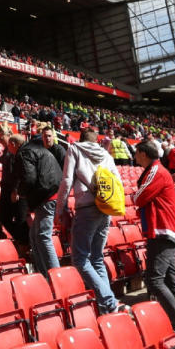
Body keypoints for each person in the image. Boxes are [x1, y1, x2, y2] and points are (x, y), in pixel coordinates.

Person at [133, 141, 175, 346]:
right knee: (171, 282)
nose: (135, 158)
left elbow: (139, 197)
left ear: (143, 153)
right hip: (164, 231)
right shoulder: (158, 170)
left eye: (137, 154)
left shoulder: (156, 170)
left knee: (154, 281)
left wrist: (136, 195)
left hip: (162, 231)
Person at [56, 128, 120, 312]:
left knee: (80, 259)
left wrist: (60, 209)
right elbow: (116, 180)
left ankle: (109, 301)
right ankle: (108, 305)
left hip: (86, 206)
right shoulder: (106, 154)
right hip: (105, 206)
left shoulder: (74, 149)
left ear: (81, 139)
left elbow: (67, 179)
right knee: (97, 258)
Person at [13, 128, 63, 278]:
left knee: (43, 236)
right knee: (35, 235)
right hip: (51, 193)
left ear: (14, 144)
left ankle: (56, 277)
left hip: (46, 196)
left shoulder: (24, 152)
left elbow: (29, 179)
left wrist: (20, 193)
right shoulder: (38, 149)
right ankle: (43, 274)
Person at [0, 125, 28, 247]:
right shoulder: (6, 152)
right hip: (6, 189)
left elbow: (19, 172)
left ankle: (24, 242)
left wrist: (16, 190)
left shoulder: (14, 152)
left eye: (1, 137)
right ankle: (23, 240)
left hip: (14, 190)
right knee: (4, 218)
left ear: (9, 136)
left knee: (20, 220)